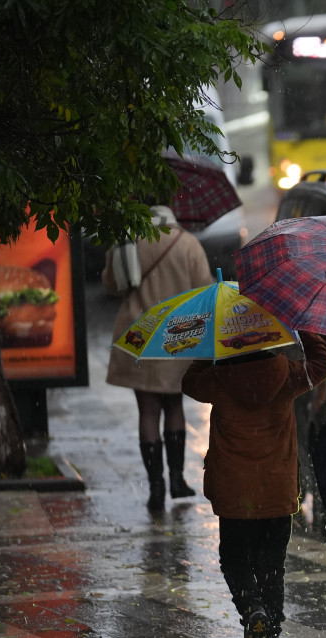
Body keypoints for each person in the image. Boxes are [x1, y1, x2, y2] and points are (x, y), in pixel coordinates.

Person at [181, 333, 326, 638]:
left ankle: (252, 609)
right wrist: (304, 328)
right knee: (272, 567)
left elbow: (189, 382)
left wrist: (210, 348)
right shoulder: (289, 374)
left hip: (236, 492)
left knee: (234, 559)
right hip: (277, 490)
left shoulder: (218, 379)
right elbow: (324, 364)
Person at [103, 204, 213, 511]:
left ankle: (156, 486)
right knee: (175, 404)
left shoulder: (127, 238)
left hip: (139, 335)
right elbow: (204, 290)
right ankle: (177, 478)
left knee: (148, 411)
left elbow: (111, 284)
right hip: (178, 335)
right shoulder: (187, 243)